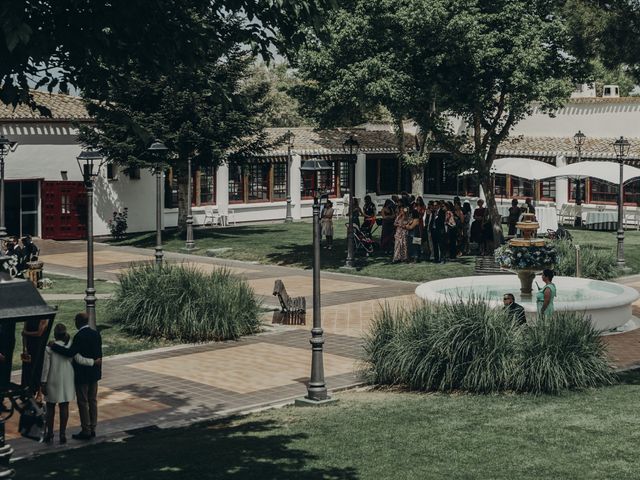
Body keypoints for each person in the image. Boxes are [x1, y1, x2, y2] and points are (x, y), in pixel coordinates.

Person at [41, 324, 98, 444]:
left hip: (52, 379)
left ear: (55, 335)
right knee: (64, 406)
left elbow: (45, 368)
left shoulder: (49, 348)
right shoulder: (71, 345)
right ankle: (62, 434)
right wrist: (94, 362)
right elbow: (80, 359)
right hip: (67, 380)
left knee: (50, 407)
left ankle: (50, 433)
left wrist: (43, 382)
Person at [21, 316, 50, 392]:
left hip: (38, 346)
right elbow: (23, 333)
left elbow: (39, 333)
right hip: (29, 346)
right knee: (26, 367)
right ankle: (25, 388)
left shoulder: (44, 318)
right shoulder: (28, 317)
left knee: (36, 367)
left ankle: (35, 389)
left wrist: (26, 333)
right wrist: (24, 348)